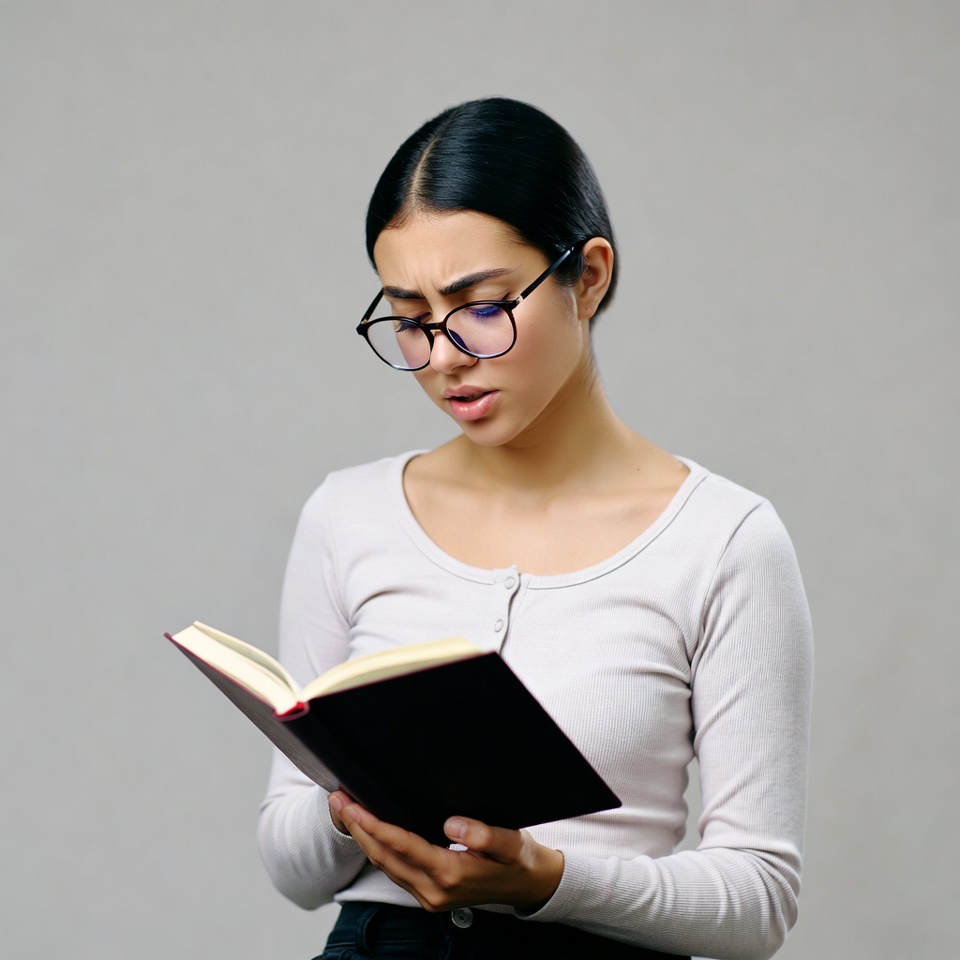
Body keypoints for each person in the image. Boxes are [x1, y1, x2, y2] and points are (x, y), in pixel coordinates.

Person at [257, 97, 813, 960]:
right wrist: (356, 793)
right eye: (409, 317)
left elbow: (758, 899)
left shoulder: (724, 541)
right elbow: (292, 868)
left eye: (481, 306)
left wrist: (548, 881)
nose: (443, 357)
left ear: (588, 276)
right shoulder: (347, 515)